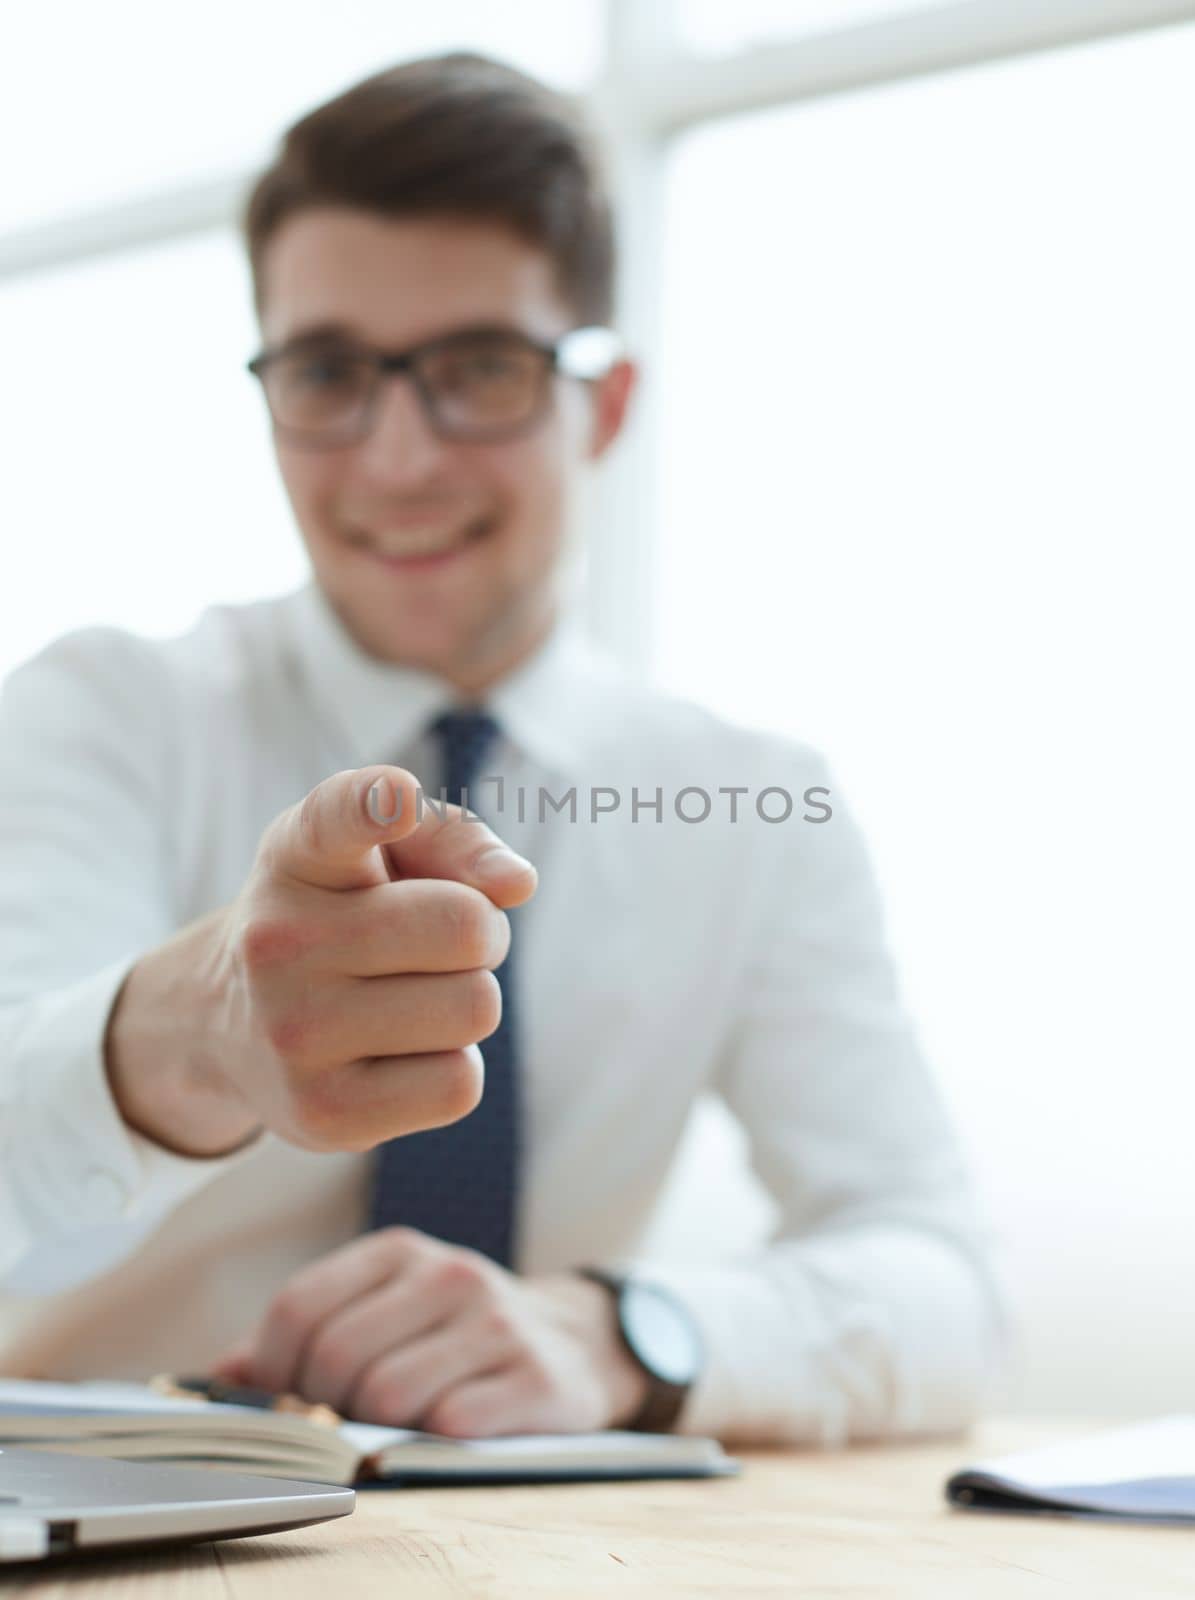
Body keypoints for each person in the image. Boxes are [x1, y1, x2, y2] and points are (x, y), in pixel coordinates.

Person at [0, 52, 999, 1443]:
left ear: (604, 402)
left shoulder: (753, 802)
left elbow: (942, 1277)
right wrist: (200, 1038)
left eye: (478, 369)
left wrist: (621, 1332)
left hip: (526, 1545)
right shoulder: (97, 709)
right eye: (329, 373)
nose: (399, 458)